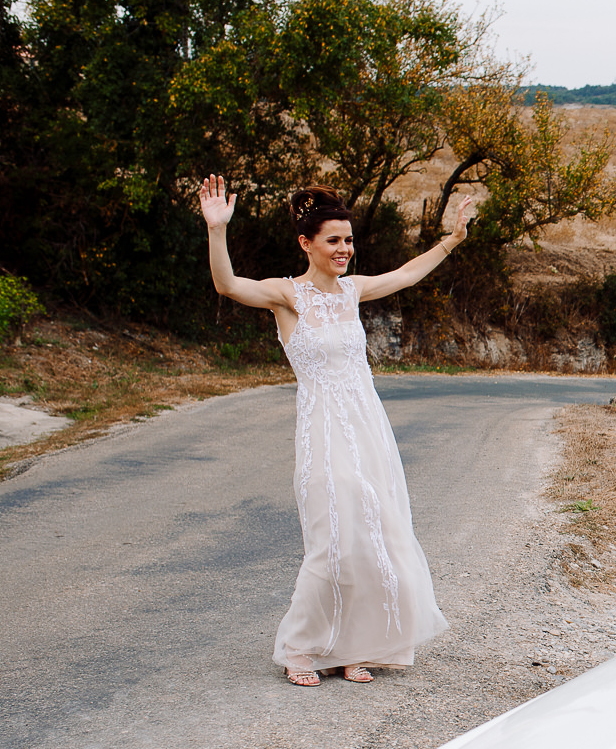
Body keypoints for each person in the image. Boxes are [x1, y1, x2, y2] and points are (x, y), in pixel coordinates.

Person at [197, 176, 474, 686]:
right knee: (334, 542)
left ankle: (357, 647)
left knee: (375, 535)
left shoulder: (355, 290)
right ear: (307, 244)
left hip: (369, 428)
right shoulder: (287, 295)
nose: (344, 249)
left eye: (348, 240)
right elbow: (228, 286)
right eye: (334, 240)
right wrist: (218, 230)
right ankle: (301, 650)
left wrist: (451, 240)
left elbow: (409, 273)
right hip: (323, 432)